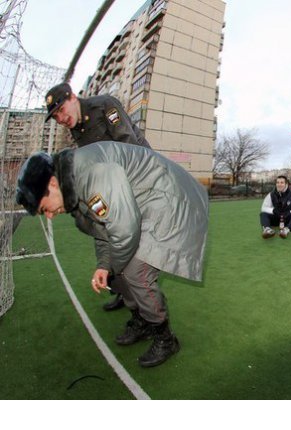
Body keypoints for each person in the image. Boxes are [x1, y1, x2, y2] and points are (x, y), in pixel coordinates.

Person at [15, 142, 209, 367]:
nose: (49, 216)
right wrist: (104, 265)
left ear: (52, 183)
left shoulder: (91, 176)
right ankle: (142, 321)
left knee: (136, 272)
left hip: (170, 198)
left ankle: (165, 338)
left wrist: (112, 267)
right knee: (116, 272)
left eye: (44, 208)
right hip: (143, 206)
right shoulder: (72, 187)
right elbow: (103, 229)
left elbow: (125, 229)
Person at [45, 82, 151, 311]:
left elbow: (130, 145)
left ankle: (146, 314)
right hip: (113, 187)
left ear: (73, 97)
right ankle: (124, 294)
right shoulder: (76, 129)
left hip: (137, 181)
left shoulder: (105, 106)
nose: (61, 119)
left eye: (61, 110)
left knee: (131, 247)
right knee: (106, 235)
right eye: (55, 117)